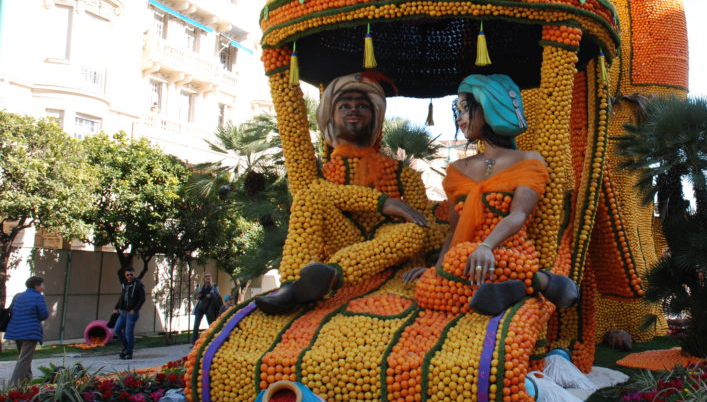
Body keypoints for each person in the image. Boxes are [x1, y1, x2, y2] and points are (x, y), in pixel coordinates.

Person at [256, 71, 436, 314]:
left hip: (389, 247)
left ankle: (328, 278)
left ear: (375, 116)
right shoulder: (320, 174)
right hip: (343, 240)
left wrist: (428, 266)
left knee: (414, 231)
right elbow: (314, 190)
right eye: (345, 105)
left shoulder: (404, 176)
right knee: (308, 197)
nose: (354, 110)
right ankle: (293, 285)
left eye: (363, 105)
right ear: (331, 116)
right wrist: (382, 202)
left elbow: (425, 228)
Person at [404, 73, 578, 316]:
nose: (459, 118)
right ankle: (530, 284)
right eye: (458, 110)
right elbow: (455, 232)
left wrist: (487, 246)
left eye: (465, 109)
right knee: (429, 290)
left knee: (468, 262)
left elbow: (518, 214)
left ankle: (529, 279)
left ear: (489, 108)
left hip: (509, 253)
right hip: (466, 258)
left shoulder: (529, 161)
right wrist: (437, 269)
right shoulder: (457, 171)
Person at [4, 276, 49, 387]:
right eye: (42, 284)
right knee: (24, 359)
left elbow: (13, 312)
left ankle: (27, 382)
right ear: (36, 286)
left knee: (24, 357)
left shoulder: (18, 296)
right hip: (30, 331)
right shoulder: (39, 297)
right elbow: (44, 314)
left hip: (16, 331)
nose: (43, 287)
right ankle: (12, 386)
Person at [113, 267, 145, 359]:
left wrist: (135, 309)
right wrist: (116, 307)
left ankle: (129, 353)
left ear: (134, 274)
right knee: (117, 330)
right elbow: (122, 297)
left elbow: (142, 299)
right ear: (125, 275)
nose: (129, 276)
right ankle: (127, 347)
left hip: (132, 313)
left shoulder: (138, 284)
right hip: (124, 312)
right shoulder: (124, 284)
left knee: (128, 332)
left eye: (131, 274)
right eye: (128, 275)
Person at [191, 272, 223, 343]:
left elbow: (218, 295)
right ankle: (194, 341)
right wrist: (198, 296)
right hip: (201, 306)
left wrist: (211, 295)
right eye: (206, 277)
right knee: (196, 324)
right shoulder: (200, 286)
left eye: (209, 276)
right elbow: (195, 296)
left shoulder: (214, 286)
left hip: (210, 307)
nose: (208, 278)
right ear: (203, 278)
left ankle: (213, 340)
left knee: (211, 324)